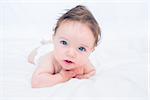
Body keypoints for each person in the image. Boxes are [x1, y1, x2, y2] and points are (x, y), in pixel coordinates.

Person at [28, 5, 101, 88]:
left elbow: (92, 71)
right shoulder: (50, 60)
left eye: (81, 48)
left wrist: (85, 76)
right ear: (54, 37)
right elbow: (36, 82)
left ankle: (54, 42)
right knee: (30, 57)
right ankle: (47, 43)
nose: (70, 54)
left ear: (91, 51)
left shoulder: (84, 63)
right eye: (64, 42)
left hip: (55, 45)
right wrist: (62, 77)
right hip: (44, 51)